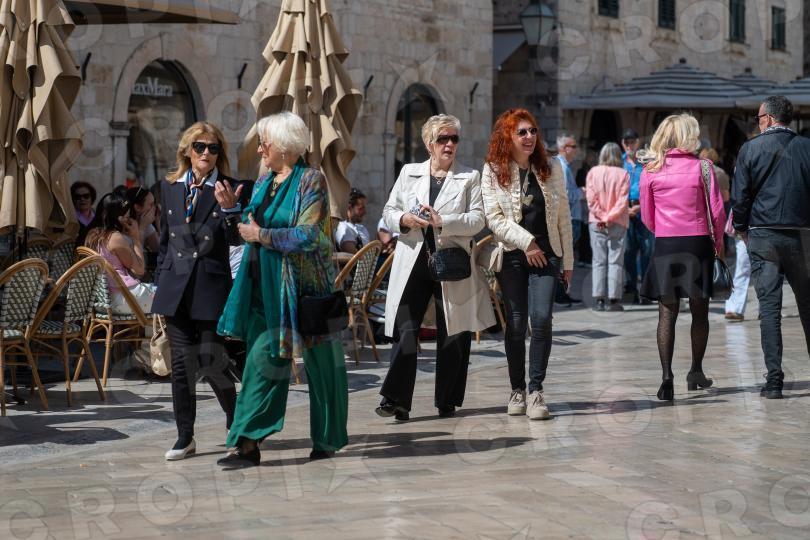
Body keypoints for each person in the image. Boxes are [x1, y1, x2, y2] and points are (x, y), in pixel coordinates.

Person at [216, 112, 348, 467]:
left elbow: (308, 235)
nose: (260, 150)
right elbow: (247, 225)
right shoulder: (264, 181)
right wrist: (232, 211)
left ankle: (327, 439)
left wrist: (261, 235)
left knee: (323, 367)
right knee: (259, 364)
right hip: (265, 288)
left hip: (306, 289)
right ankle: (246, 443)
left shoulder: (312, 180)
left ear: (286, 147)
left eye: (265, 143)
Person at [376, 114, 494, 421]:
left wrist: (444, 222)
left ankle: (447, 398)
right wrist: (404, 219)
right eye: (443, 139)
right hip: (413, 258)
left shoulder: (469, 177)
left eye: (454, 138)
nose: (449, 144)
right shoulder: (409, 172)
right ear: (430, 144)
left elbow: (478, 220)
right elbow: (388, 211)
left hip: (451, 260)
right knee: (405, 327)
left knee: (453, 330)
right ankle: (396, 399)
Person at [152, 121, 241, 461]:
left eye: (213, 148)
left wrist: (231, 209)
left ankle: (235, 418)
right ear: (187, 151)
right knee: (180, 365)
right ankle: (184, 436)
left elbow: (236, 239)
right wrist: (162, 282)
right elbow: (164, 240)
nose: (206, 153)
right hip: (175, 287)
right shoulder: (170, 186)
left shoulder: (229, 188)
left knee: (210, 358)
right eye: (200, 147)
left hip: (210, 285)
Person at [481, 108, 574, 420]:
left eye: (532, 131)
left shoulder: (552, 167)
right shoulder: (493, 169)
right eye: (521, 132)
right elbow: (494, 218)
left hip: (547, 255)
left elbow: (563, 217)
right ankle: (517, 389)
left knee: (542, 319)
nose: (529, 137)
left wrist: (568, 261)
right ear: (508, 136)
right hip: (512, 255)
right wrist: (527, 243)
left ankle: (536, 390)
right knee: (517, 323)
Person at [638, 113, 726, 401]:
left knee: (667, 313)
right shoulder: (703, 167)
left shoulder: (650, 170)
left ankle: (667, 377)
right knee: (700, 312)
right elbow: (717, 212)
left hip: (666, 243)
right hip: (697, 242)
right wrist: (719, 244)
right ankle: (695, 370)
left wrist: (665, 230)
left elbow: (647, 217)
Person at [731, 95, 810, 399]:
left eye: (758, 118)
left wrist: (741, 227)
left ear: (768, 118)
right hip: (802, 235)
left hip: (763, 234)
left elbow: (740, 197)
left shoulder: (750, 149)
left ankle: (774, 381)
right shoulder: (806, 147)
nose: (758, 122)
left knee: (769, 309)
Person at [85, 194, 157, 315]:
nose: (129, 220)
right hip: (123, 298)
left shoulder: (92, 236)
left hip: (101, 302)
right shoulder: (115, 237)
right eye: (127, 216)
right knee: (171, 296)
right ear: (118, 218)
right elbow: (139, 270)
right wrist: (136, 238)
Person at [586, 142, 629, 312]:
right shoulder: (623, 174)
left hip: (597, 221)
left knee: (598, 261)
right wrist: (610, 217)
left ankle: (599, 300)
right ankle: (613, 300)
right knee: (615, 262)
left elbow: (591, 200)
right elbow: (622, 201)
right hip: (617, 221)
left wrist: (602, 216)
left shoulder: (593, 172)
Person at [621, 128, 653, 305]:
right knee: (628, 252)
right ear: (622, 143)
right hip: (625, 209)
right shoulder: (619, 163)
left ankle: (646, 291)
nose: (629, 145)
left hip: (643, 209)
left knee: (647, 251)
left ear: (638, 142)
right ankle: (630, 289)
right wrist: (624, 207)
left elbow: (653, 187)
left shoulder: (647, 163)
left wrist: (641, 206)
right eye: (626, 142)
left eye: (632, 142)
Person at [555, 132, 582, 305]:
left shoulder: (563, 166)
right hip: (568, 219)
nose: (576, 150)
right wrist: (581, 193)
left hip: (570, 218)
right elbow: (564, 195)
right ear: (565, 148)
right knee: (564, 259)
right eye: (574, 146)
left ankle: (562, 293)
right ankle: (560, 294)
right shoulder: (562, 167)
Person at [724, 210, 750, 321]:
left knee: (766, 269)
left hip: (760, 226)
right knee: (742, 268)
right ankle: (735, 308)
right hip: (745, 227)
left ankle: (766, 309)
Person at [125, 186, 160, 253]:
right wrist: (142, 228)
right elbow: (135, 255)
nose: (155, 207)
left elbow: (159, 249)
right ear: (137, 207)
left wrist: (158, 221)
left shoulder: (146, 224)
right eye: (151, 204)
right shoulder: (124, 228)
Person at [334, 188, 369, 253]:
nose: (365, 212)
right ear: (349, 208)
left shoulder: (362, 228)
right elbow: (352, 253)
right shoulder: (342, 227)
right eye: (361, 208)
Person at [71, 181, 97, 247]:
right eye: (78, 197)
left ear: (92, 198)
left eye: (86, 196)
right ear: (73, 199)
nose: (82, 199)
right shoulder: (70, 219)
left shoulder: (98, 217)